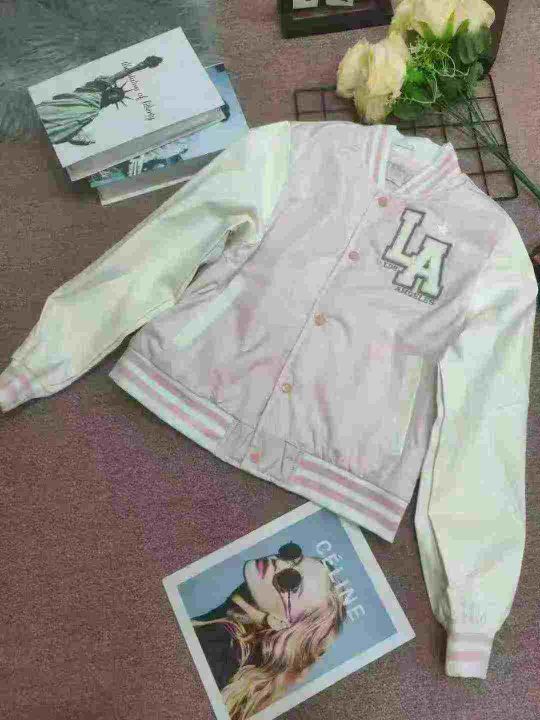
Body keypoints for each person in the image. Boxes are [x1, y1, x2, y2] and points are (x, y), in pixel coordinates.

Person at [192, 542, 346, 720]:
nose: (278, 563)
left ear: (279, 623)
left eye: (291, 580)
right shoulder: (226, 647)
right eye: (292, 556)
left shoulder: (218, 646)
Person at [35, 55, 163, 145]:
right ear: (110, 90)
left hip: (81, 114)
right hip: (76, 102)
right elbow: (117, 76)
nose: (113, 97)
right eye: (114, 93)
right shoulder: (97, 89)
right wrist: (142, 65)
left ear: (114, 101)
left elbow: (79, 125)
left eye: (116, 98)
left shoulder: (94, 112)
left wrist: (79, 137)